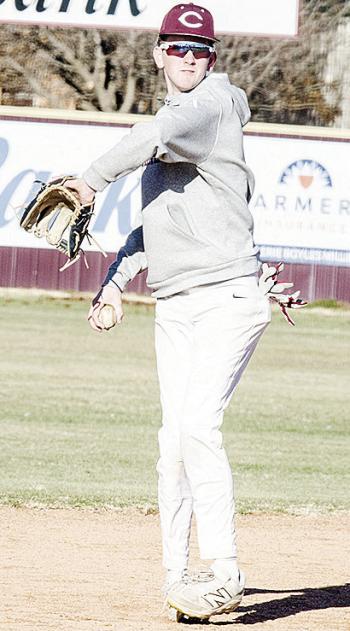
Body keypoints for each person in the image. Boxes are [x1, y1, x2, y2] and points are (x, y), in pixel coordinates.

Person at [65, 3, 271, 622]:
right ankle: (180, 579)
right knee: (171, 443)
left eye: (199, 49)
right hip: (179, 303)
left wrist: (90, 180)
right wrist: (113, 281)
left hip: (226, 300)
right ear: (157, 53)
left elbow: (152, 136)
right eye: (176, 48)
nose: (187, 59)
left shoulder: (208, 104)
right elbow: (154, 229)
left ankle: (226, 573)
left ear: (213, 57)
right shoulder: (174, 121)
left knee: (198, 428)